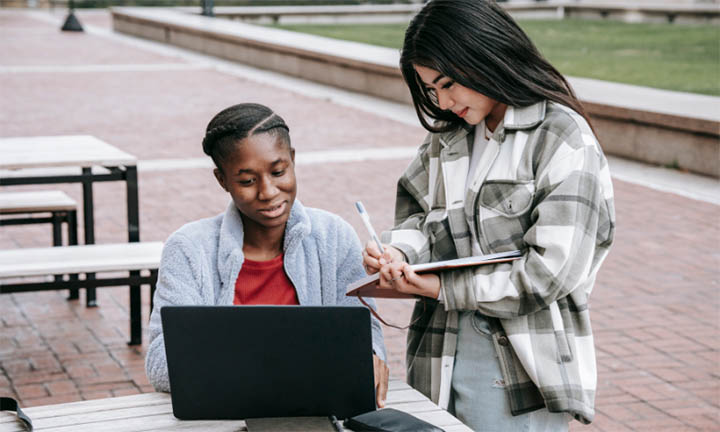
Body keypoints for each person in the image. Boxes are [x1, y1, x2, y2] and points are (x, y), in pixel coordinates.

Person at [362, 1, 615, 430]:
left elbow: (548, 273)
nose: (442, 100)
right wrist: (397, 252)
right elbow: (421, 219)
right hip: (438, 349)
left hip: (518, 361)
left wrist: (442, 287)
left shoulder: (561, 137)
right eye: (430, 89)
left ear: (482, 54)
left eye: (447, 83)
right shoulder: (448, 137)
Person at [146, 102, 389, 407]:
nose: (268, 191)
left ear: (293, 161)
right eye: (247, 181)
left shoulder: (334, 237)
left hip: (315, 414)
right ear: (222, 180)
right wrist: (292, 365)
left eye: (278, 171)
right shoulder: (188, 249)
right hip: (222, 415)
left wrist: (370, 356)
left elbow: (365, 333)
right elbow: (160, 361)